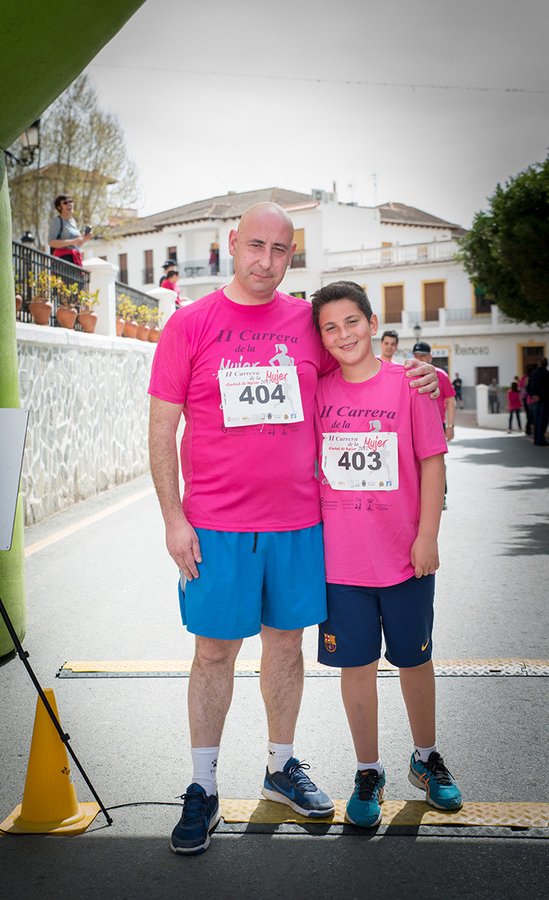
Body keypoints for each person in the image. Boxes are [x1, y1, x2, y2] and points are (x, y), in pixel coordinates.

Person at [147, 202, 439, 855]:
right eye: (256, 245)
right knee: (214, 654)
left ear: (291, 255)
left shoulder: (305, 323)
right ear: (232, 243)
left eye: (281, 249)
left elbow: (364, 374)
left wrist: (427, 376)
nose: (267, 260)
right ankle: (202, 785)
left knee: (286, 649)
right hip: (216, 527)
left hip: (300, 525)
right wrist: (172, 517)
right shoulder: (190, 324)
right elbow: (162, 428)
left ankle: (281, 767)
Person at [312, 281, 462, 828]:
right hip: (340, 563)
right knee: (356, 668)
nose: (343, 334)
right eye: (330, 327)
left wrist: (428, 535)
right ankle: (368, 770)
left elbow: (432, 461)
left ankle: (426, 758)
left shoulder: (410, 385)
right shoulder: (317, 391)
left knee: (414, 661)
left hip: (404, 557)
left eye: (351, 321)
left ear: (373, 324)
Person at [412, 342, 455, 509]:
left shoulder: (440, 375)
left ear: (430, 357)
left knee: (437, 462)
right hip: (416, 426)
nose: (420, 359)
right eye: (417, 356)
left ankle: (441, 496)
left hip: (437, 426)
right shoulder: (409, 375)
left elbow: (450, 401)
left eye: (423, 355)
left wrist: (450, 426)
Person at [48, 195, 91, 265]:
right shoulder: (57, 220)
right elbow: (51, 242)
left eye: (70, 201)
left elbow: (75, 244)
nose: (69, 204)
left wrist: (84, 239)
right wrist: (72, 241)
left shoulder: (73, 221)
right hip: (62, 260)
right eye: (65, 203)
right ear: (59, 207)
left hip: (74, 258)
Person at [528, 357, 549, 446]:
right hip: (544, 400)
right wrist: (540, 396)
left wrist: (533, 396)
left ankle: (536, 439)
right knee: (543, 420)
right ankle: (540, 439)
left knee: (536, 420)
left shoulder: (533, 374)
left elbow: (529, 387)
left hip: (535, 400)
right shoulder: (547, 374)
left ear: (539, 364)